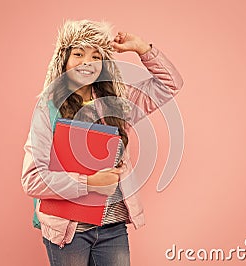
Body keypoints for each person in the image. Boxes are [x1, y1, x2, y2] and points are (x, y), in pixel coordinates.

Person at [21, 20, 183, 266]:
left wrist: (142, 48)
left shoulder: (118, 104)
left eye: (96, 56)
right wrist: (89, 183)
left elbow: (170, 83)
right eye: (78, 53)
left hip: (113, 229)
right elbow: (32, 179)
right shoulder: (48, 109)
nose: (87, 62)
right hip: (68, 232)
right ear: (62, 60)